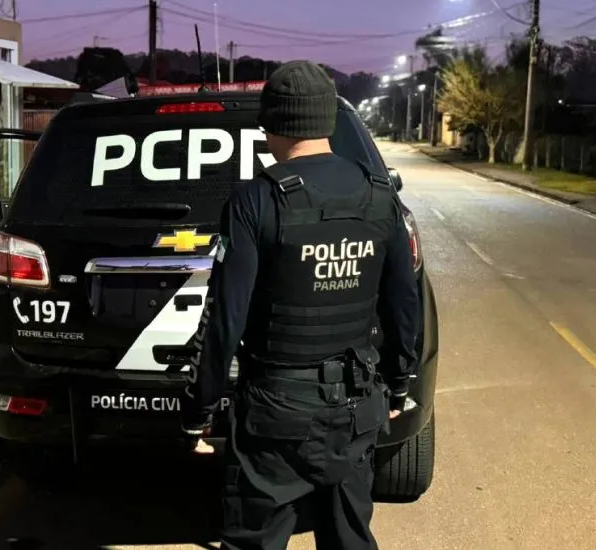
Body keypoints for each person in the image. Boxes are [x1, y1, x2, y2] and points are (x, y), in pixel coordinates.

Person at [180, 60, 420, 550]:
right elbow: (403, 303)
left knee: (255, 540)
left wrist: (199, 405)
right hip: (357, 407)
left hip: (276, 414)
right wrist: (398, 385)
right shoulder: (380, 196)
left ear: (273, 125)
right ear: (327, 120)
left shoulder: (256, 201)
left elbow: (226, 318)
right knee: (350, 538)